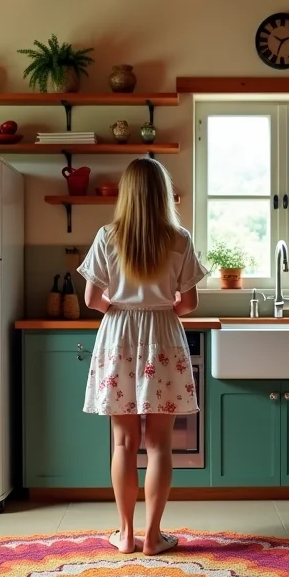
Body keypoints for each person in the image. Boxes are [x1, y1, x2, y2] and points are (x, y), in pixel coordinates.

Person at [77, 158, 207, 556]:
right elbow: (190, 303)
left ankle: (125, 534)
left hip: (119, 337)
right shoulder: (179, 239)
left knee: (123, 443)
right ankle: (153, 537)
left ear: (126, 193)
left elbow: (91, 300)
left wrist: (121, 306)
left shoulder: (108, 236)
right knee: (160, 445)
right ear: (163, 194)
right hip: (163, 336)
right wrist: (160, 307)